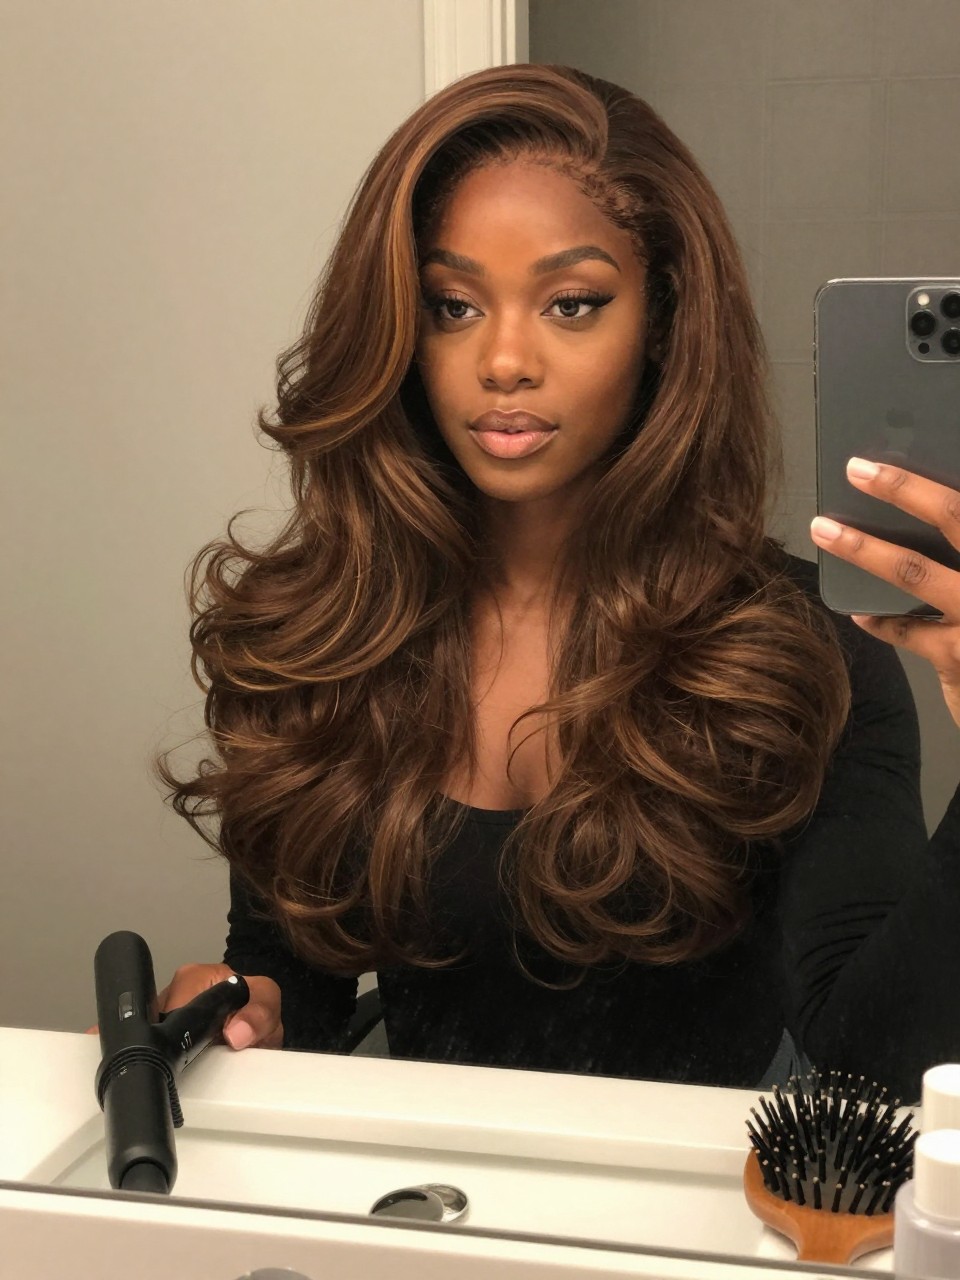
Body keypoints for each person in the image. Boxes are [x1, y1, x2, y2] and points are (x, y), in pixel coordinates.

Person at [155, 64, 960, 1099]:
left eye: (572, 304)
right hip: (424, 1211)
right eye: (451, 305)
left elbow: (872, 1059)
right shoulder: (320, 630)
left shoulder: (808, 651)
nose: (502, 360)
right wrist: (237, 1002)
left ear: (663, 320)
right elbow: (297, 986)